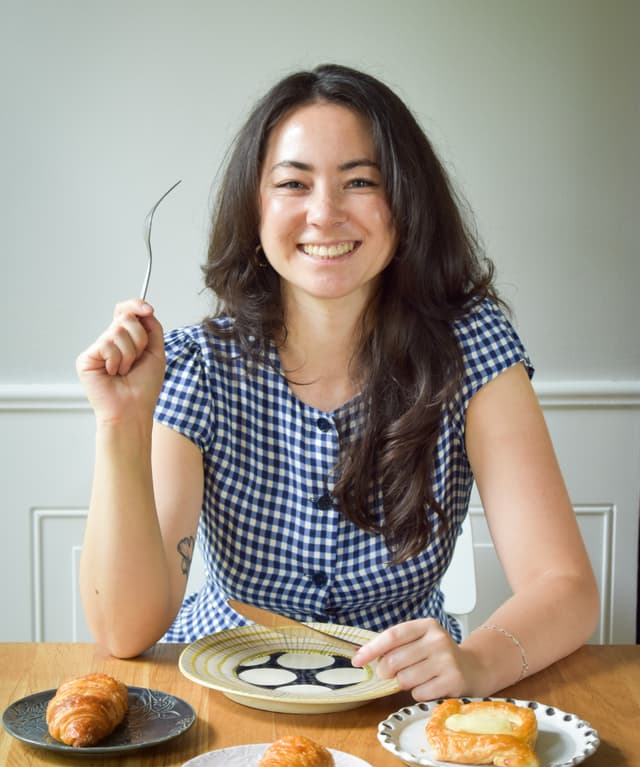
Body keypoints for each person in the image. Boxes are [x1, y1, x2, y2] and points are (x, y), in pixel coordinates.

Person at [76, 63, 599, 701]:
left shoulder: (471, 348)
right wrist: (120, 424)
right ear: (256, 208)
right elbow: (123, 633)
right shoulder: (198, 364)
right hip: (224, 689)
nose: (324, 214)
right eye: (294, 183)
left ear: (404, 202)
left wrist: (480, 664)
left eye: (360, 182)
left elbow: (564, 586)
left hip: (404, 693)